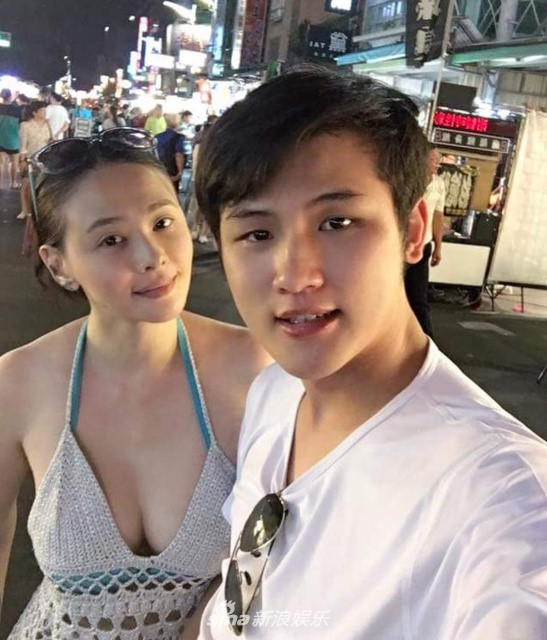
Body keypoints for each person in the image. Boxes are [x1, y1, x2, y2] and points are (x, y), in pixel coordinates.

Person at [194, 67, 547, 638]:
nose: (295, 275)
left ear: (414, 230)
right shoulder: (274, 392)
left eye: (337, 223)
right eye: (257, 234)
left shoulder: (504, 501)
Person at [0, 128, 270, 638]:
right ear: (59, 265)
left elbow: (278, 551)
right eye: (111, 239)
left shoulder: (257, 369)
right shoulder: (19, 382)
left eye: (162, 222)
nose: (152, 255)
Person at [404, 144, 445, 337]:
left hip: (424, 244)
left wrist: (438, 247)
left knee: (419, 295)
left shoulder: (439, 184)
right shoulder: (408, 180)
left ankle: (426, 338)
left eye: (439, 160)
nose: (437, 163)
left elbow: (438, 216)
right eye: (433, 159)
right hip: (402, 244)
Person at [17, 100, 52, 225]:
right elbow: (23, 146)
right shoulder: (25, 126)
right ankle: (24, 210)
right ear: (34, 113)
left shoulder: (47, 124)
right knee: (26, 184)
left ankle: (39, 210)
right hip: (30, 159)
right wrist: (22, 160)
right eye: (42, 110)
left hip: (44, 159)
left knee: (42, 185)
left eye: (45, 110)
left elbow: (50, 140)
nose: (44, 112)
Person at [156, 113, 187, 194]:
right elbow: (179, 155)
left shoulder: (157, 137)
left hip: (159, 169)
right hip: (172, 170)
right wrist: (180, 173)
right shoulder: (179, 137)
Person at [0, 88, 22, 189]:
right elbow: (20, 124)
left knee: (0, 163)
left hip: (0, 138)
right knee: (14, 162)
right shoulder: (17, 109)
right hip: (13, 139)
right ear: (10, 97)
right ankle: (13, 183)